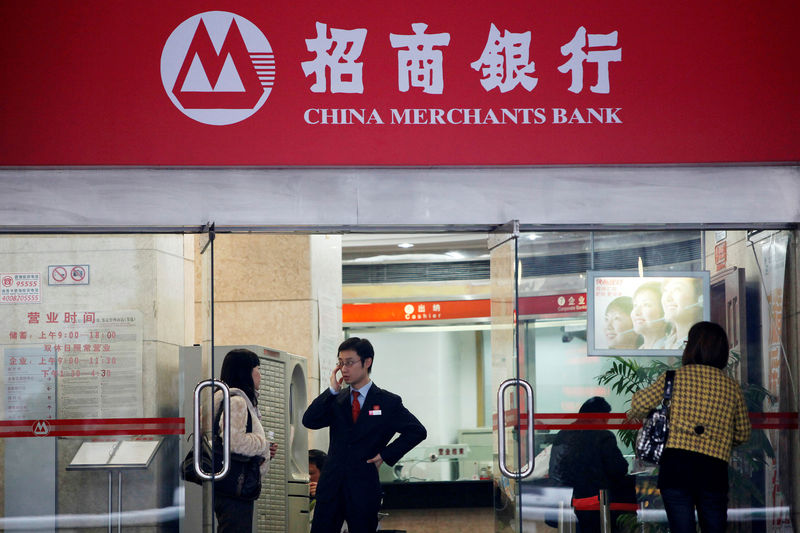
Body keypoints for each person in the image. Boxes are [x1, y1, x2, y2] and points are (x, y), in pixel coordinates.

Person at [629, 322, 751, 533]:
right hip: (714, 470)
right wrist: (719, 437)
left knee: (681, 528)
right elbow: (743, 433)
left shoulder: (674, 378)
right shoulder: (731, 387)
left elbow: (639, 405)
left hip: (676, 467)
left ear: (691, 347)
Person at [302, 337, 427, 533]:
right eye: (341, 363)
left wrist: (384, 455)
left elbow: (417, 431)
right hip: (331, 486)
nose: (344, 368)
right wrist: (332, 390)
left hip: (363, 486)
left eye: (350, 362)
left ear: (367, 362)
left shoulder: (387, 402)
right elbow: (309, 420)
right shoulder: (336, 399)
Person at [204, 348, 278, 533]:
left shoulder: (221, 397)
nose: (260, 375)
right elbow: (234, 442)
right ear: (246, 372)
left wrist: (265, 451)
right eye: (257, 369)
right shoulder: (236, 401)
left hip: (227, 481)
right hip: (235, 484)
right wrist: (263, 445)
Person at [549, 396, 633, 533]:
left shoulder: (562, 434)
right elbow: (618, 468)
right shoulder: (603, 436)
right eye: (605, 418)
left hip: (564, 503)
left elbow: (556, 470)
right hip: (596, 507)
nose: (607, 422)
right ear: (596, 417)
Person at [661, 277, 704, 349]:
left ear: (699, 300)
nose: (667, 298)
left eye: (677, 289)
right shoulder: (666, 344)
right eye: (665, 291)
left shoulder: (700, 344)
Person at [630, 282, 668, 349]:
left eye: (646, 305)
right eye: (635, 305)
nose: (636, 312)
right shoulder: (637, 353)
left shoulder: (671, 351)